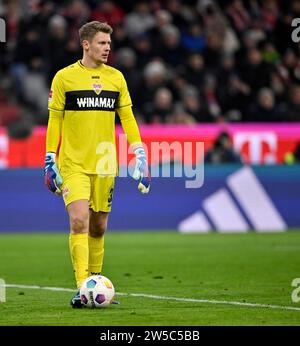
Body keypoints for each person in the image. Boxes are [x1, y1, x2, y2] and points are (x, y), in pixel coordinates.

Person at [44, 21, 150, 308]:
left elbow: (127, 118)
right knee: (79, 220)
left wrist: (139, 154)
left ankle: (95, 281)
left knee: (99, 226)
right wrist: (50, 157)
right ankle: (82, 287)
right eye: (102, 43)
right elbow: (55, 120)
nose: (108, 48)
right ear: (86, 44)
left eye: (109, 44)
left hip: (105, 164)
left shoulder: (116, 78)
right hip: (73, 163)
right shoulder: (64, 78)